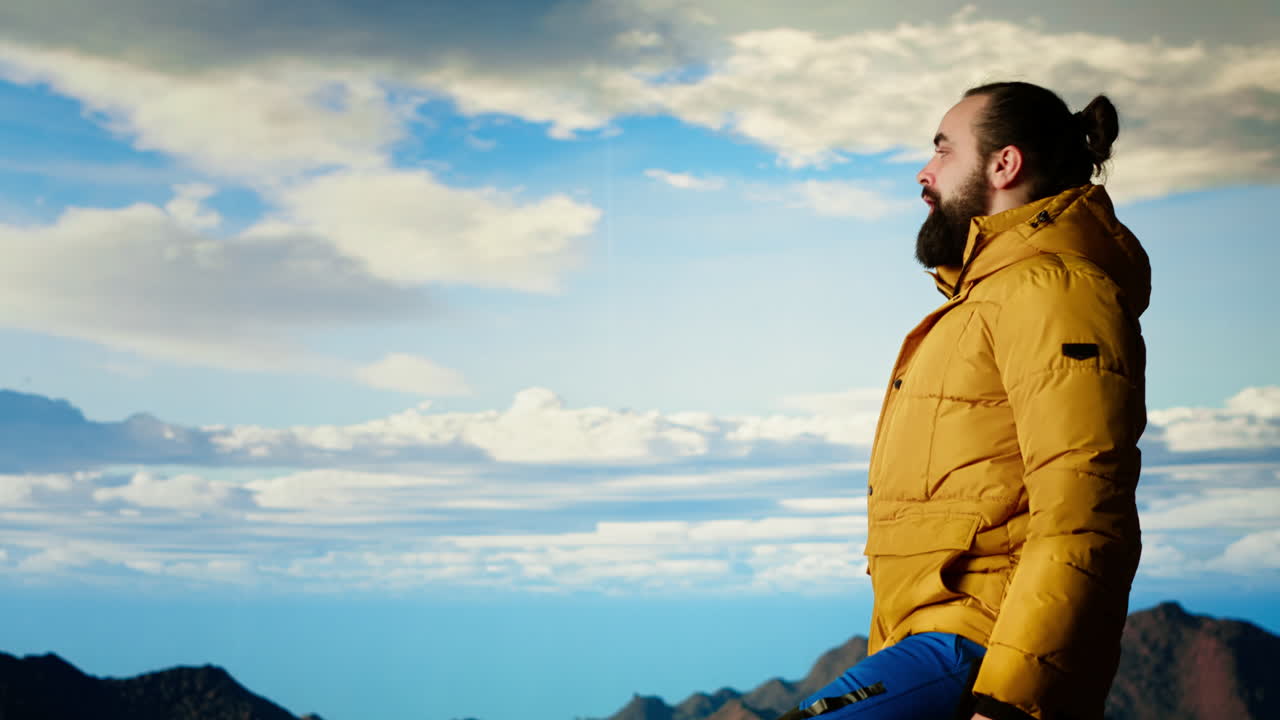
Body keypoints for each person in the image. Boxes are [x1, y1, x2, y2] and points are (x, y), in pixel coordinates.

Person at [786, 82, 1150, 720]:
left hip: (978, 647)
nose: (925, 174)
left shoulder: (1053, 292)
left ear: (1003, 164)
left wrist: (1010, 701)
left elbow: (1086, 509)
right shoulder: (988, 300)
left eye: (944, 151)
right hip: (932, 640)